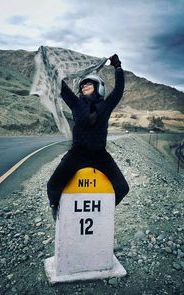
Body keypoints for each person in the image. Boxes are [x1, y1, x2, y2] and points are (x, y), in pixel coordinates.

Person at [47, 54, 129, 220]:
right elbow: (61, 87)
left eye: (88, 84)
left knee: (122, 188)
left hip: (100, 156)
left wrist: (118, 66)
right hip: (77, 154)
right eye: (82, 86)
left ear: (98, 86)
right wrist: (50, 67)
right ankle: (58, 210)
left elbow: (119, 90)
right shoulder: (76, 104)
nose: (84, 87)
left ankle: (103, 211)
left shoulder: (106, 105)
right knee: (53, 185)